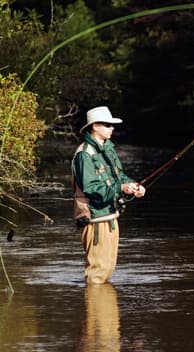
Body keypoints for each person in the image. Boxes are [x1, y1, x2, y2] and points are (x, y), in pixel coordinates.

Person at [72, 106, 145, 284]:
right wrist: (122, 188)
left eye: (112, 125)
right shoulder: (84, 155)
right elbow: (91, 189)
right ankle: (96, 311)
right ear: (95, 126)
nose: (112, 128)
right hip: (95, 219)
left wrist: (133, 185)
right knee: (97, 275)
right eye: (107, 125)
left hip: (111, 215)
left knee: (107, 271)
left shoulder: (108, 149)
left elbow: (119, 177)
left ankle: (106, 312)